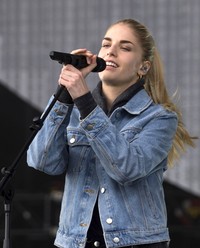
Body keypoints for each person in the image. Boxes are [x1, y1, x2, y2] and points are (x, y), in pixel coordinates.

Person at [27, 19, 195, 248]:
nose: (111, 52)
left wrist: (85, 102)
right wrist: (64, 97)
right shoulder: (74, 110)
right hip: (74, 242)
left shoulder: (159, 117)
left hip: (135, 243)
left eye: (125, 48)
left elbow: (126, 168)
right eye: (106, 45)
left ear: (143, 67)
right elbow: (42, 161)